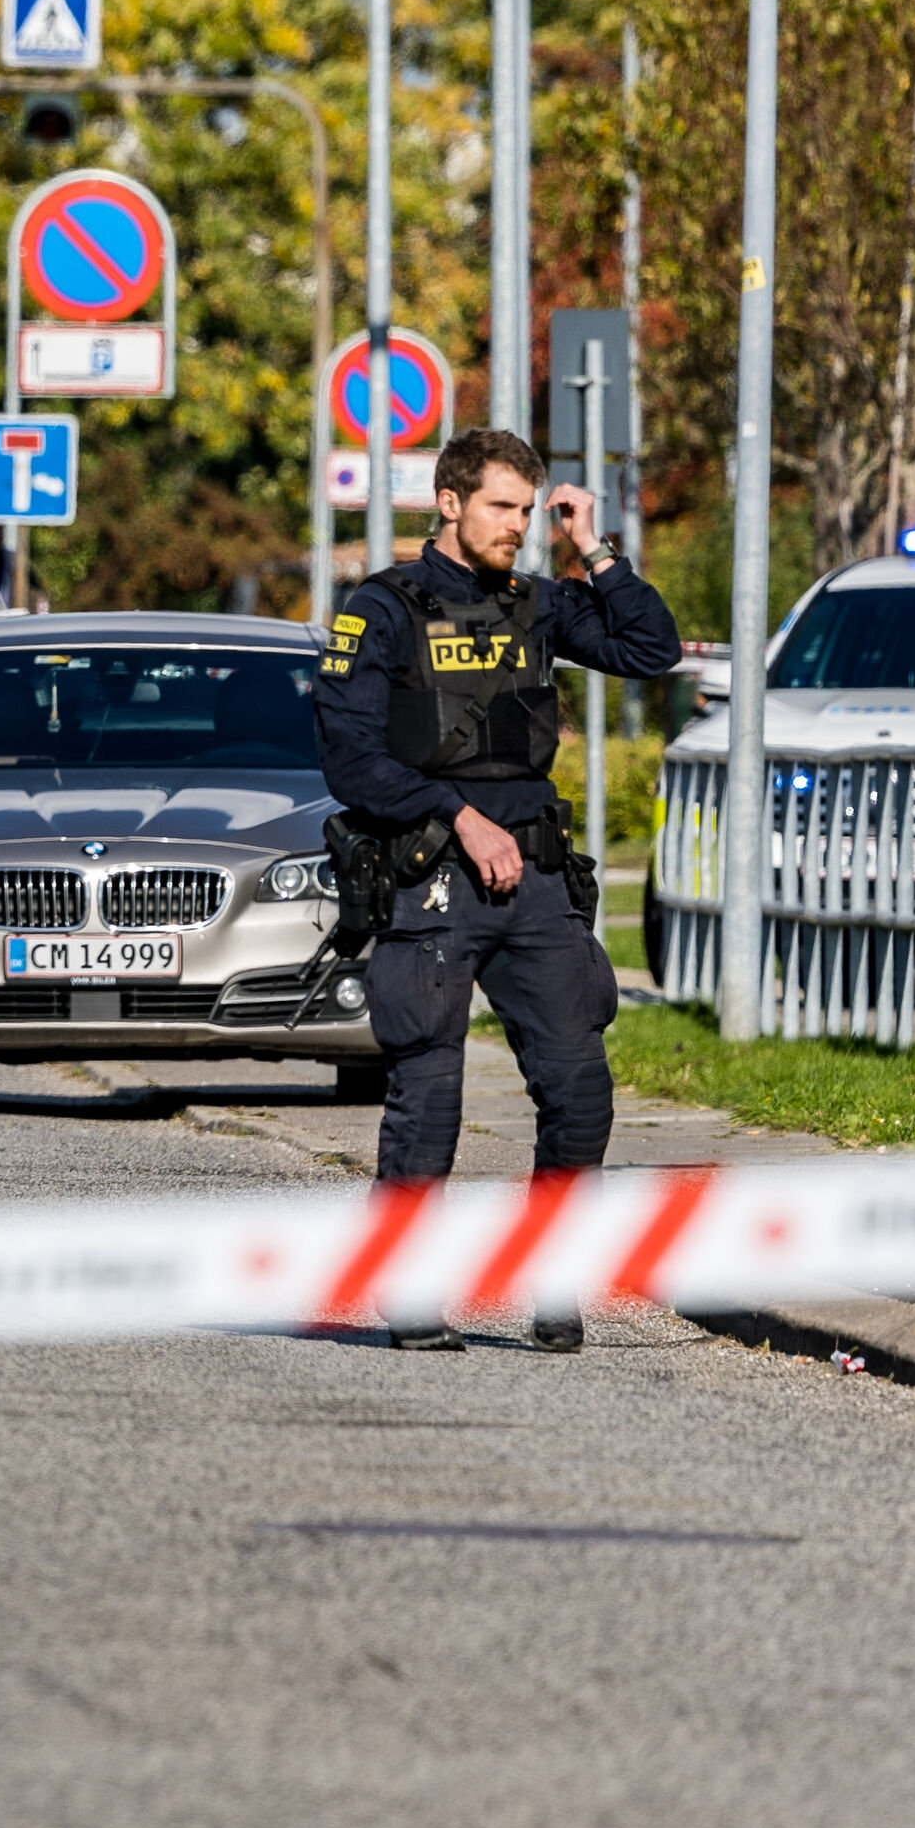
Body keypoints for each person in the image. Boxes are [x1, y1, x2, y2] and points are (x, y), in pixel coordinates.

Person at [314, 425, 683, 1351]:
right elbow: (350, 759)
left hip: (534, 881)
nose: (517, 526)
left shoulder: (540, 602)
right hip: (431, 875)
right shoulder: (383, 609)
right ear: (449, 502)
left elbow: (651, 649)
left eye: (529, 509)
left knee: (579, 1088)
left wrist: (591, 546)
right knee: (428, 1098)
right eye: (503, 507)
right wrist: (452, 815)